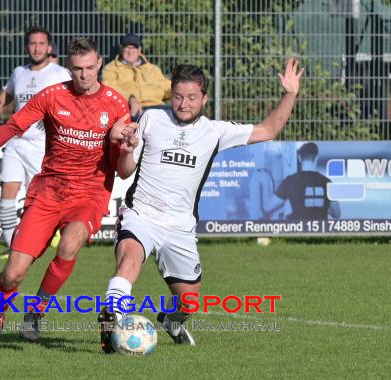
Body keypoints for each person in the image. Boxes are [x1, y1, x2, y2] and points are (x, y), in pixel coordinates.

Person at [98, 59, 304, 352]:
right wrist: (126, 152)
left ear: (204, 98)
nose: (184, 104)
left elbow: (268, 130)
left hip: (180, 227)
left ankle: (171, 321)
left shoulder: (215, 131)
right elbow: (125, 170)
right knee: (128, 261)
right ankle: (111, 322)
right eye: (178, 96)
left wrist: (290, 94)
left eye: (192, 97)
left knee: (189, 301)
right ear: (171, 94)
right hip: (141, 214)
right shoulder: (151, 120)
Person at [0, 37, 134, 347]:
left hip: (89, 194)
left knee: (69, 245)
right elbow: (14, 126)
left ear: (99, 65)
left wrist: (121, 145)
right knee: (12, 274)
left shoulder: (116, 104)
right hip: (48, 193)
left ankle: (36, 312)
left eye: (90, 68)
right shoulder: (52, 96)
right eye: (77, 69)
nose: (84, 75)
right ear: (68, 67)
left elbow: (122, 170)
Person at [0, 27, 71, 249]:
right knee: (8, 190)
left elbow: (74, 100)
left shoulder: (59, 74)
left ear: (49, 47)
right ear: (28, 46)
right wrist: (0, 102)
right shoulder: (19, 72)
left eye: (41, 44)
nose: (36, 48)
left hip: (43, 145)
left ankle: (44, 237)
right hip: (16, 142)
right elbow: (7, 93)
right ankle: (12, 247)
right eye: (32, 43)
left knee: (41, 199)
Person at [102, 33, 171, 121]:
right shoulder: (111, 68)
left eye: (134, 47)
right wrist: (130, 98)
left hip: (157, 107)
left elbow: (166, 86)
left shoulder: (152, 69)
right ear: (121, 48)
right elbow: (110, 89)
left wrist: (182, 90)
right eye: (127, 47)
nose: (130, 51)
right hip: (130, 109)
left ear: (139, 50)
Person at [273, 142, 341, 220]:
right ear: (316, 158)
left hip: (299, 229)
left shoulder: (290, 180)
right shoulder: (327, 182)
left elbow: (269, 207)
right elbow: (337, 213)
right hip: (320, 229)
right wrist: (322, 206)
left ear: (299, 158)